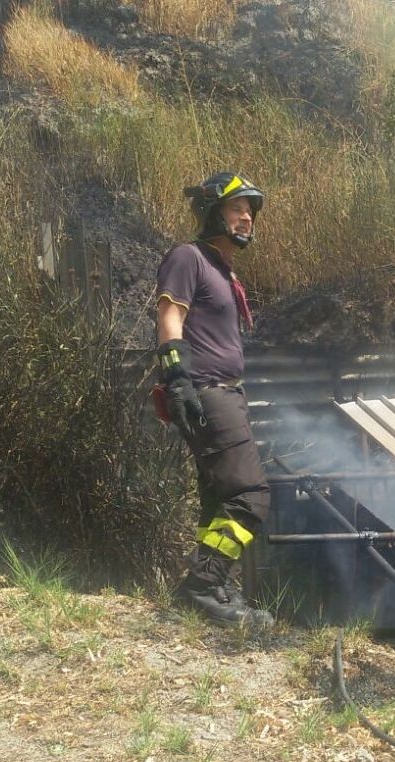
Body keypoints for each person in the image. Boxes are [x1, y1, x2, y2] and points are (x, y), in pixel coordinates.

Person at [153, 171, 274, 627]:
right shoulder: (189, 258)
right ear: (211, 213)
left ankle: (215, 591)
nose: (246, 217)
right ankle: (204, 584)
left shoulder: (223, 271)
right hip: (206, 392)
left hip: (225, 393)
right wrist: (176, 377)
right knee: (250, 498)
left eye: (250, 210)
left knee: (217, 500)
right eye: (236, 208)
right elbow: (169, 316)